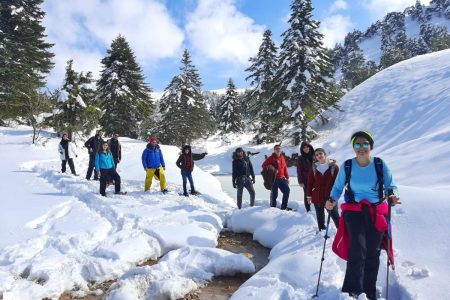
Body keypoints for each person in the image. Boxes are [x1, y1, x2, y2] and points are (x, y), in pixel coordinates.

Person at [325, 131, 400, 300]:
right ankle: (353, 290)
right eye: (357, 144)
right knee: (358, 248)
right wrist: (331, 199)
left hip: (376, 211)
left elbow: (391, 185)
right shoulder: (348, 166)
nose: (361, 147)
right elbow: (337, 187)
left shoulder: (380, 164)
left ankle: (369, 291)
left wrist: (393, 195)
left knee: (373, 252)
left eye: (365, 144)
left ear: (370, 146)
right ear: (353, 147)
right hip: (354, 211)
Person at [306, 148, 339, 231]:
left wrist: (335, 197)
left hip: (330, 196)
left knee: (335, 215)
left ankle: (342, 231)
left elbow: (338, 183)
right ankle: (321, 232)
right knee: (320, 216)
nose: (319, 156)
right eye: (316, 155)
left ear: (325, 154)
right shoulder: (314, 167)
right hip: (317, 196)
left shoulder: (334, 167)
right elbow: (309, 182)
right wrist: (309, 195)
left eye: (320, 153)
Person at [262, 144, 290, 210]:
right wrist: (273, 169)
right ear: (274, 150)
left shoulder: (282, 158)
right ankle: (273, 208)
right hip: (274, 179)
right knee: (274, 194)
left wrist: (287, 177)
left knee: (287, 191)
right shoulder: (271, 158)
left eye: (279, 149)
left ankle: (284, 207)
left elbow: (285, 168)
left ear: (281, 150)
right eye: (277, 149)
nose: (278, 150)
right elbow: (264, 166)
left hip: (282, 179)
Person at [297, 141, 314, 212]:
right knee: (307, 194)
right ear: (302, 149)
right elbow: (299, 170)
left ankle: (316, 207)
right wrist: (300, 181)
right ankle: (308, 210)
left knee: (316, 193)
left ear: (309, 147)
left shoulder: (314, 156)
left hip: (316, 179)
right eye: (304, 147)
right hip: (305, 179)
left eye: (307, 147)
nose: (306, 148)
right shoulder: (300, 158)